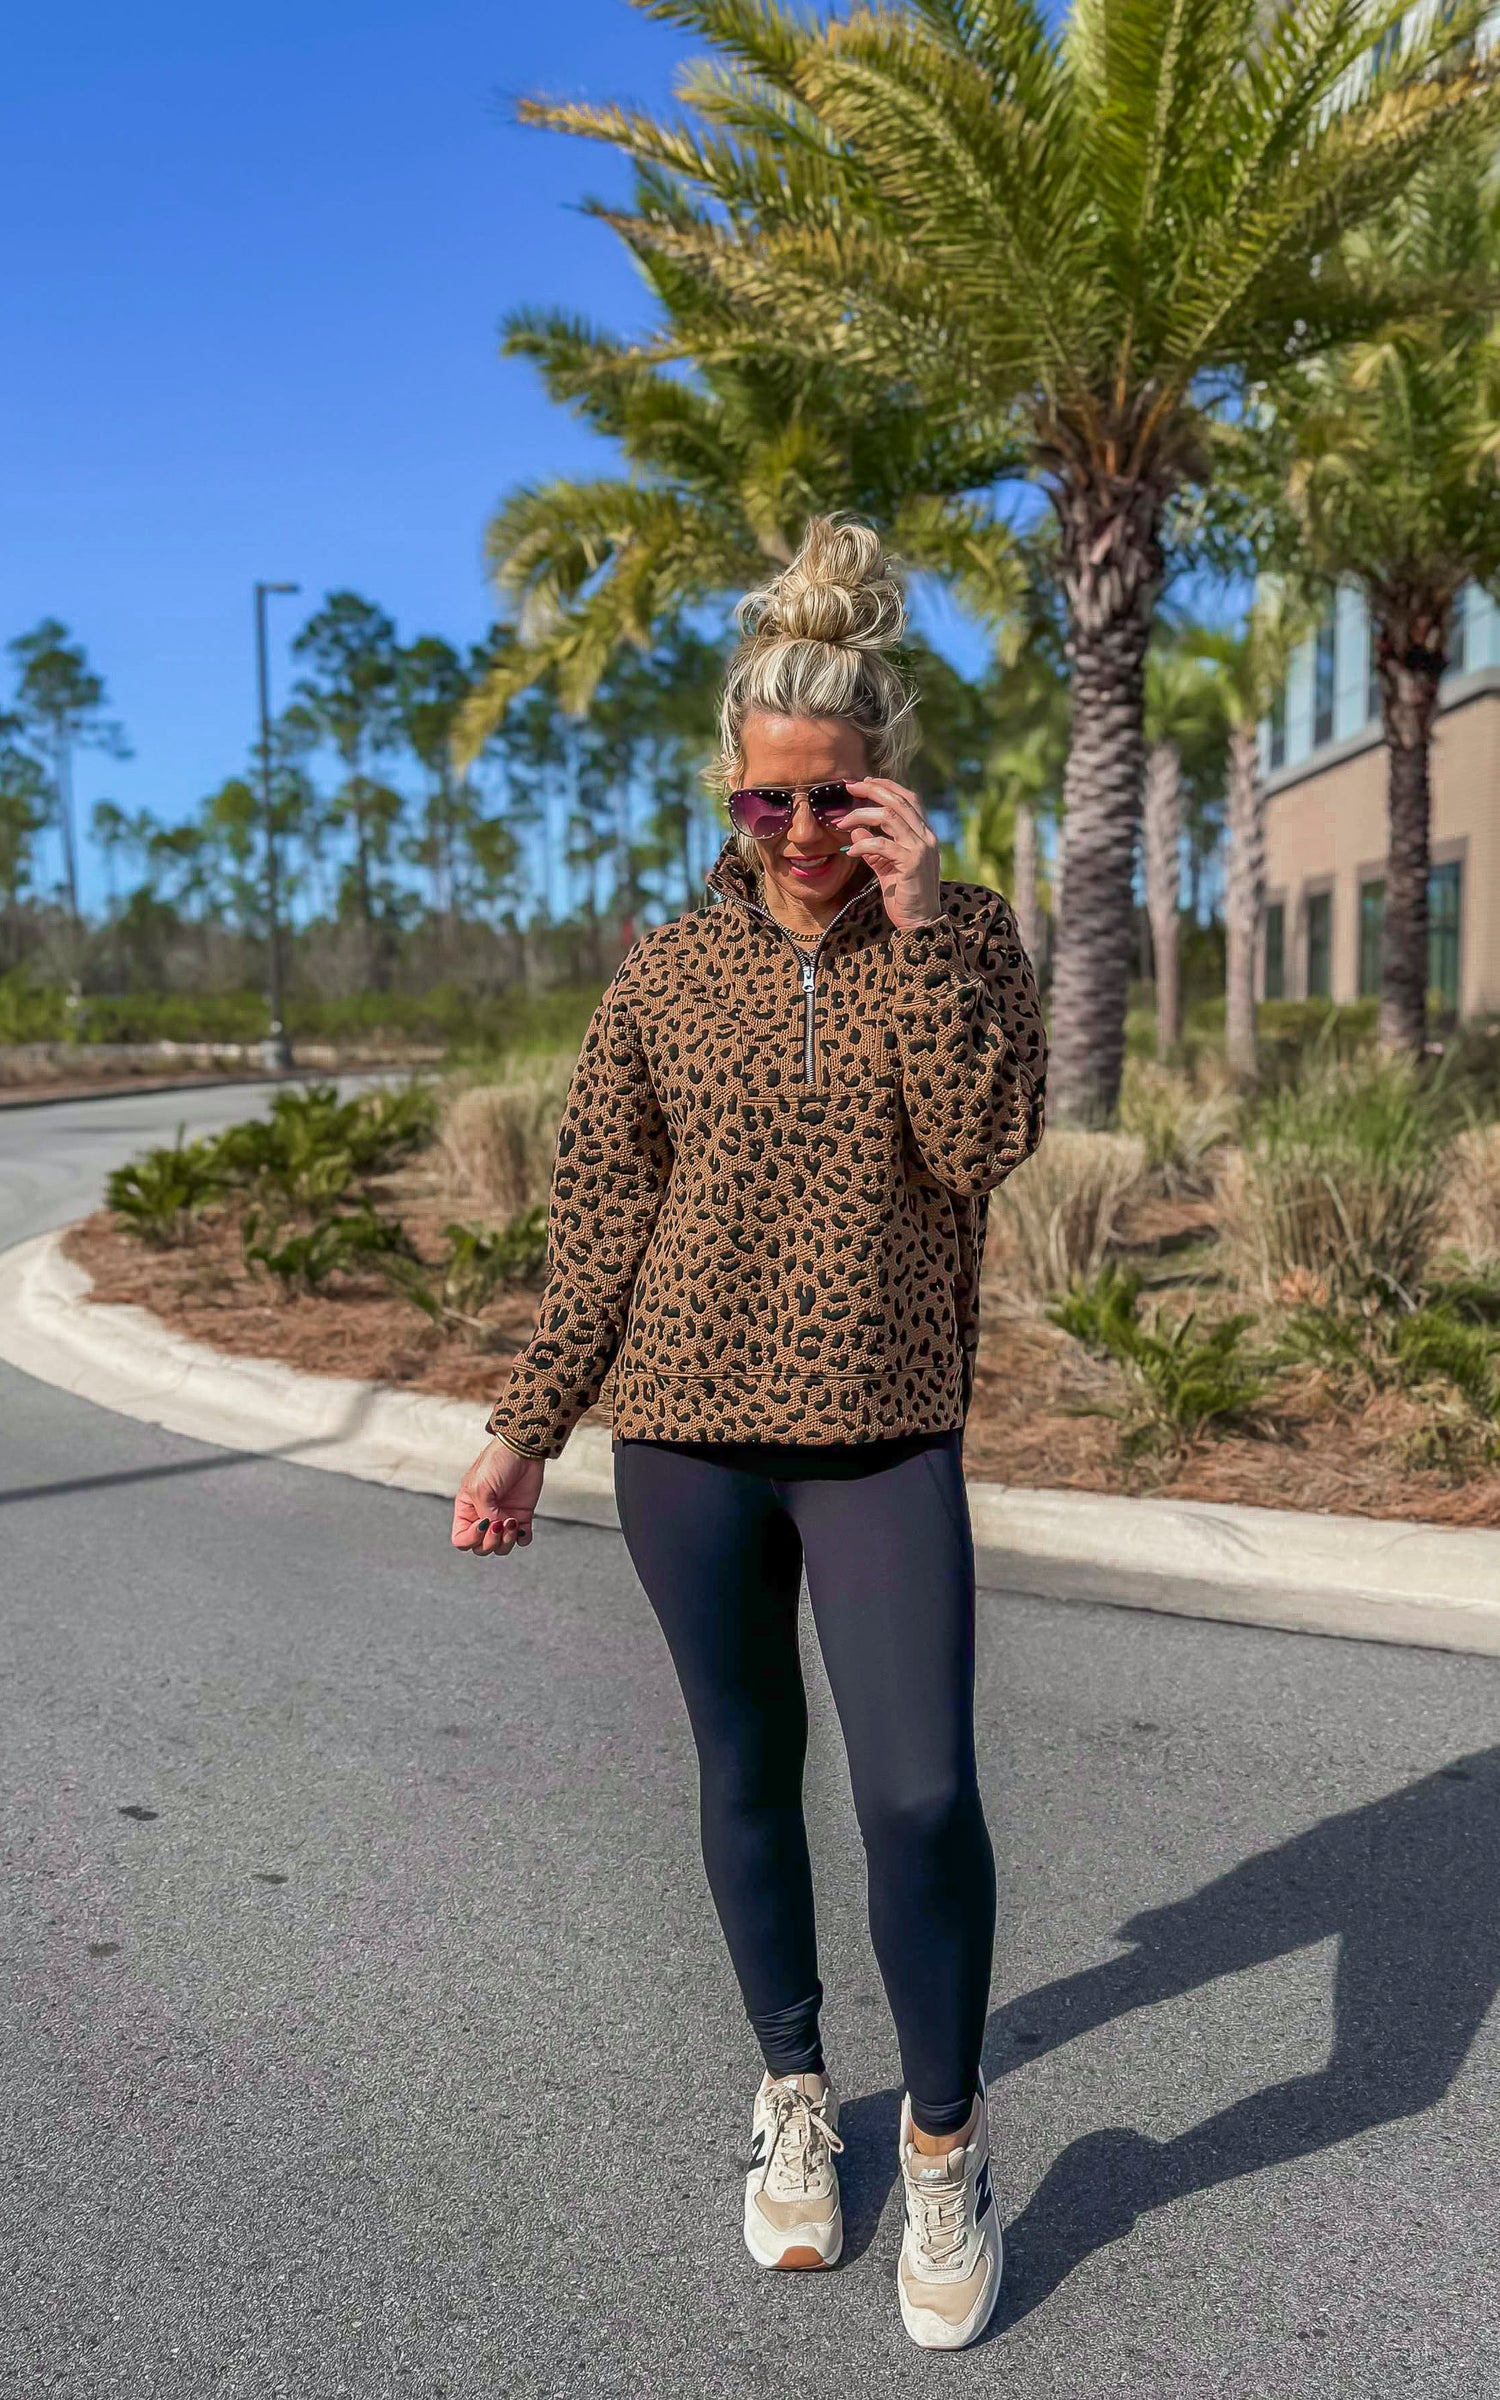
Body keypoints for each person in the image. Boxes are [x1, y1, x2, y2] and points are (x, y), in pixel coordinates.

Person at [451, 516, 1046, 2351]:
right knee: (743, 1768)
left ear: (884, 790)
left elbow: (979, 1153)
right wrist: (524, 1427)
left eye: (834, 802)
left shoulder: (967, 944)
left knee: (919, 1792)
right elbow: (599, 1224)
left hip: (882, 1434)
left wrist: (930, 926)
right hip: (685, 1438)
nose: (799, 838)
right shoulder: (659, 973)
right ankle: (797, 2096)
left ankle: (941, 2150)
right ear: (730, 793)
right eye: (768, 806)